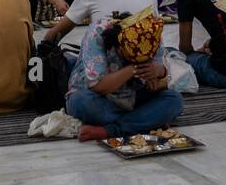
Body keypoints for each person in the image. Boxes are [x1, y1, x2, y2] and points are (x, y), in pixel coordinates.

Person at [66, 7, 181, 142]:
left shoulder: (151, 36)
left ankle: (109, 130)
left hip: (132, 98)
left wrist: (160, 72)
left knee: (174, 100)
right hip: (101, 98)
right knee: (81, 102)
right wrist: (132, 69)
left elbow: (158, 86)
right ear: (119, 47)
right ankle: (144, 121)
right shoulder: (97, 33)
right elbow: (98, 86)